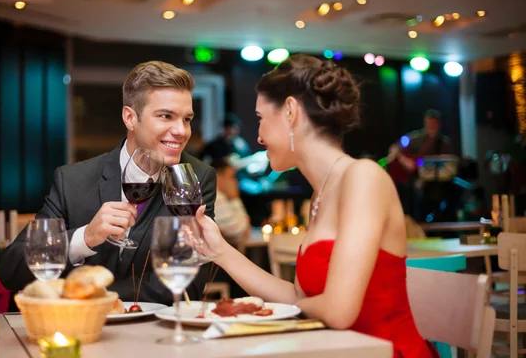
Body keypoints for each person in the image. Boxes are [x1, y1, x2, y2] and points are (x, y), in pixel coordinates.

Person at [194, 54, 435, 358]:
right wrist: (220, 252)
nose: (257, 135)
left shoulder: (363, 177)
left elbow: (337, 311)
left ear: (291, 111)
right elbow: (301, 297)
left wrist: (268, 314)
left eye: (260, 119)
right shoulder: (319, 197)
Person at [0, 61, 217, 305]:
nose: (181, 131)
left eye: (187, 119)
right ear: (130, 118)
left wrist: (88, 295)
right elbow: (11, 269)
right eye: (166, 116)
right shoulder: (73, 180)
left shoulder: (197, 176)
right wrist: (85, 238)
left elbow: (188, 283)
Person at [387, 109, 456, 220]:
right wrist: (404, 160)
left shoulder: (444, 142)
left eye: (434, 123)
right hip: (418, 180)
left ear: (439, 124)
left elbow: (449, 166)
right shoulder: (415, 138)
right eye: (429, 123)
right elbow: (395, 147)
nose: (431, 126)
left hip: (440, 182)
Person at [212, 158, 251, 248]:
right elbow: (240, 232)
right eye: (232, 177)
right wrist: (235, 199)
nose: (235, 182)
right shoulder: (216, 197)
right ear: (217, 177)